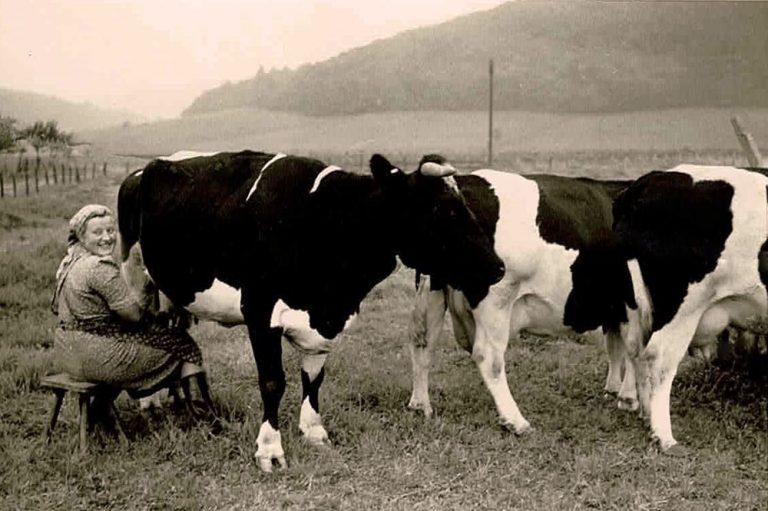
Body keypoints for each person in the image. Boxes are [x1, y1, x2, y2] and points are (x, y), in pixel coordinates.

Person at [51, 204, 215, 430]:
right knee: (184, 346)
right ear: (81, 236)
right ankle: (206, 420)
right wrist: (156, 308)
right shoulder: (99, 266)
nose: (107, 238)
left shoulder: (70, 263)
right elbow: (133, 316)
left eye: (110, 231)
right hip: (92, 356)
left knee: (130, 343)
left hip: (67, 353)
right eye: (97, 233)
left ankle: (98, 412)